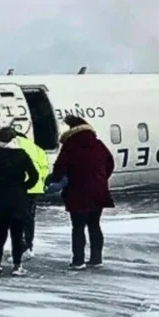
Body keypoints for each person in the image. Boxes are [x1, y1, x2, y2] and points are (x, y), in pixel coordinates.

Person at [48, 115, 115, 269]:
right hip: (98, 191)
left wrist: (56, 180)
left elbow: (59, 166)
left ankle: (78, 261)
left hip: (77, 192)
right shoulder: (98, 144)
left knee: (78, 227)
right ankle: (96, 259)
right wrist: (101, 179)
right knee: (95, 225)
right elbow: (110, 163)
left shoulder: (70, 145)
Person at [0, 127, 39, 277]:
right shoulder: (21, 155)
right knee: (17, 234)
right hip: (17, 199)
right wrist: (24, 187)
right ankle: (17, 266)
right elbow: (34, 175)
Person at [12, 128, 50, 259]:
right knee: (29, 219)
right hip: (34, 188)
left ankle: (21, 249)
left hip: (18, 188)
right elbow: (45, 168)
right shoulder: (36, 148)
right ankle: (29, 246)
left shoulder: (14, 146)